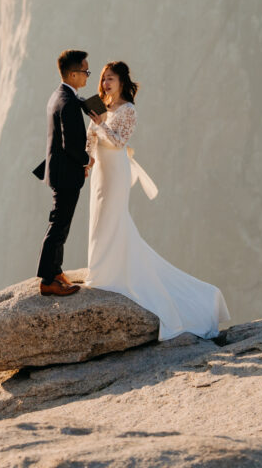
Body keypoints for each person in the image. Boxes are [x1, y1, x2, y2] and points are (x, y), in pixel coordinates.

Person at [83, 61, 230, 340]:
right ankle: (101, 268)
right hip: (101, 171)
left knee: (113, 218)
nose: (105, 84)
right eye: (103, 79)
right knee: (99, 217)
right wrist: (87, 160)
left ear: (123, 81)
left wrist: (101, 124)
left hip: (116, 172)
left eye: (110, 79)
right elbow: (91, 137)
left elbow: (118, 142)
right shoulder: (102, 107)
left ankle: (113, 272)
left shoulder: (128, 110)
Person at [34, 49, 97, 296]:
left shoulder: (60, 95)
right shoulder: (68, 102)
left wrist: (101, 102)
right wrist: (87, 161)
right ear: (73, 74)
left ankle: (55, 270)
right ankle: (48, 280)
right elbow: (70, 144)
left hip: (58, 170)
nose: (88, 77)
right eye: (86, 72)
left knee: (61, 223)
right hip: (66, 173)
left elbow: (81, 102)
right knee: (59, 225)